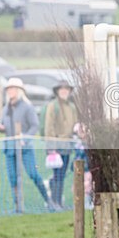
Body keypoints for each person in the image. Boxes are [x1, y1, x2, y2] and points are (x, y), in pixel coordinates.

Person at [0, 77, 58, 212]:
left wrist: (25, 138)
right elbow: (5, 125)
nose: (10, 91)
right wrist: (1, 128)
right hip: (10, 148)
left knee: (33, 174)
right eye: (8, 89)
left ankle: (49, 201)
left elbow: (34, 125)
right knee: (13, 178)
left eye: (13, 88)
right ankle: (18, 206)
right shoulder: (6, 108)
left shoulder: (27, 107)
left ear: (19, 90)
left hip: (25, 148)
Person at [43, 80, 78, 209]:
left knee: (61, 175)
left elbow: (75, 125)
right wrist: (51, 147)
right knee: (57, 174)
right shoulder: (53, 106)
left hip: (67, 146)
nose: (64, 92)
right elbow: (49, 127)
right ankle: (55, 202)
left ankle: (58, 201)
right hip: (56, 146)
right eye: (62, 89)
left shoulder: (72, 107)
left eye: (66, 89)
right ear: (57, 91)